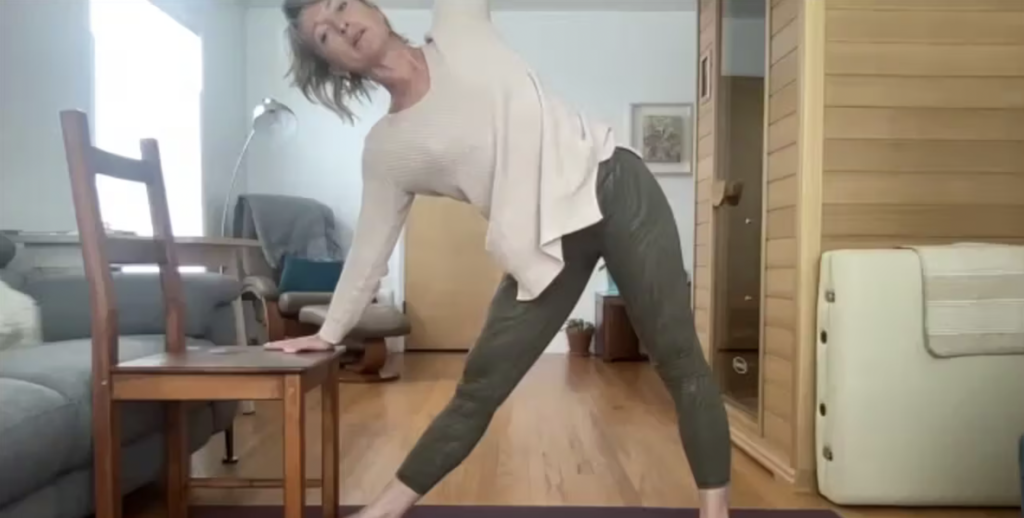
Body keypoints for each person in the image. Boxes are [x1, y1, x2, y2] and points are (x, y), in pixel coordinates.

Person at [269, 1, 733, 517]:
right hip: (540, 245)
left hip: (615, 185)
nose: (342, 25)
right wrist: (330, 332)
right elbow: (369, 251)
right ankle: (384, 510)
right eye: (324, 34)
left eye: (341, 6)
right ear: (332, 64)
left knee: (679, 359)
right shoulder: (386, 150)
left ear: (370, 6)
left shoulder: (458, 25)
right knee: (479, 387)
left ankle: (716, 512)